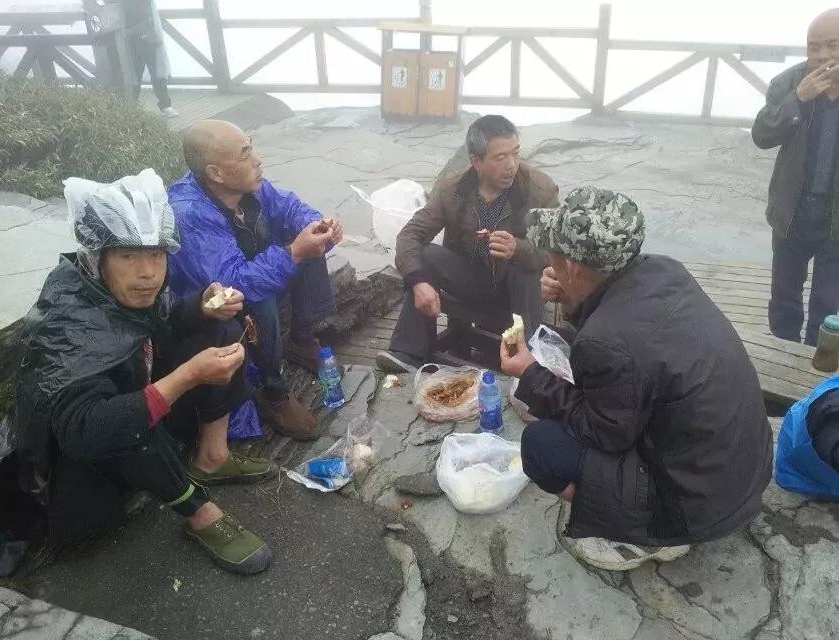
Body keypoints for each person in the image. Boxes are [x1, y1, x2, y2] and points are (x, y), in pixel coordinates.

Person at [9, 170, 272, 574]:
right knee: (129, 419)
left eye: (157, 254)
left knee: (222, 329)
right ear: (96, 259)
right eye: (128, 256)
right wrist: (186, 377)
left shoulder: (119, 289)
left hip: (133, 408)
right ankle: (199, 514)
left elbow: (162, 321)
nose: (148, 272)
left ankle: (212, 457)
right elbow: (85, 429)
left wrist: (202, 307)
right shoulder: (68, 322)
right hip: (82, 470)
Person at [501, 187, 773, 571]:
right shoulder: (665, 270)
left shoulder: (606, 341)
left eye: (553, 254)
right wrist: (574, 299)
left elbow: (603, 432)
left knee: (543, 445)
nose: (548, 260)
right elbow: (630, 343)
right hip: (738, 467)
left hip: (695, 501)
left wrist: (530, 373)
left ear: (575, 267)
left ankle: (649, 539)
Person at [168, 120, 343, 441]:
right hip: (206, 318)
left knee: (306, 240)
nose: (257, 160)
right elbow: (232, 288)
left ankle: (301, 341)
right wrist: (293, 253)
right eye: (244, 154)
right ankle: (272, 389)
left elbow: (289, 206)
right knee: (261, 290)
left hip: (242, 279)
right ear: (215, 173)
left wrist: (318, 225)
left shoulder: (248, 187)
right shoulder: (188, 213)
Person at [376, 115, 559, 373]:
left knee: (525, 268)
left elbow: (557, 252)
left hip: (519, 292)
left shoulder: (540, 189)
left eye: (515, 153)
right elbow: (410, 234)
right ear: (476, 161)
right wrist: (417, 281)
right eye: (500, 158)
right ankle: (408, 353)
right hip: (471, 280)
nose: (512, 165)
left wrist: (519, 249)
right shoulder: (453, 189)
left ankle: (531, 366)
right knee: (426, 254)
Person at [752, 8, 839, 346]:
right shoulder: (788, 84)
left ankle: (812, 370)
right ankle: (778, 355)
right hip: (792, 213)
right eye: (813, 46)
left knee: (828, 305)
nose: (822, 56)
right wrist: (798, 100)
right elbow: (761, 135)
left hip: (835, 222)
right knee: (784, 297)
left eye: (833, 46)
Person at [123, 0, 179, 118]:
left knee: (156, 71)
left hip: (146, 36)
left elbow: (146, 14)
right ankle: (131, 106)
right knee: (135, 74)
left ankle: (165, 105)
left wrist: (129, 31)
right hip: (131, 40)